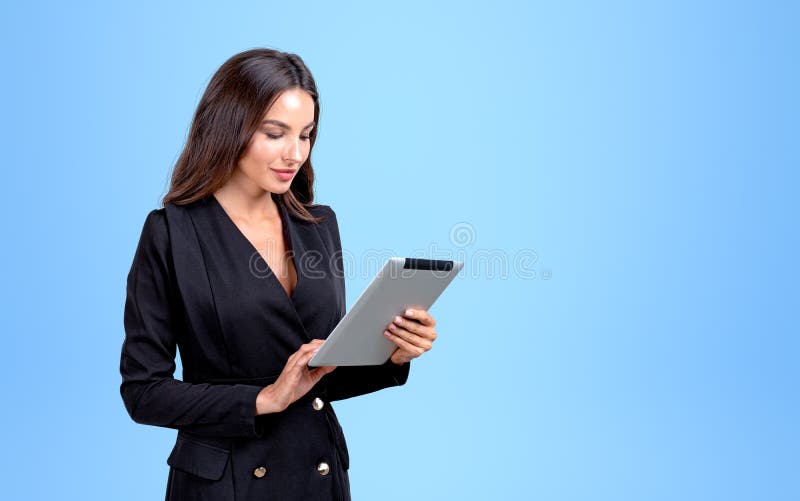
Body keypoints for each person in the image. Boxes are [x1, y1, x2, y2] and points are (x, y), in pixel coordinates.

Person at [119, 48, 439, 501]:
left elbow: (319, 375)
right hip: (225, 484)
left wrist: (394, 354)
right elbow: (143, 391)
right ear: (229, 126)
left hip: (318, 474)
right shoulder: (172, 233)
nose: (295, 152)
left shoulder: (319, 226)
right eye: (275, 133)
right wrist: (264, 399)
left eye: (306, 135)